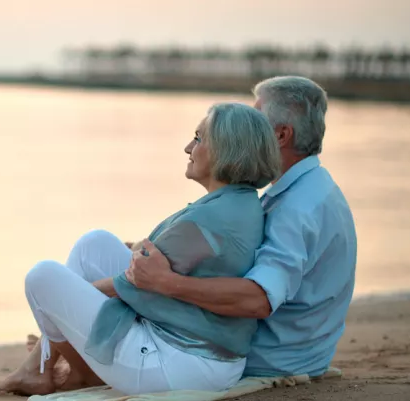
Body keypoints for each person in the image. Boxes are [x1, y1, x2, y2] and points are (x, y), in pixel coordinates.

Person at [0, 102, 282, 396]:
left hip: (180, 366)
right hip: (211, 359)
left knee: (43, 278)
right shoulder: (239, 203)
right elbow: (152, 267)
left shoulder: (207, 219)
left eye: (198, 139)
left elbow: (134, 283)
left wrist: (65, 300)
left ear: (224, 149)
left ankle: (65, 370)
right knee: (94, 245)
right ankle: (57, 369)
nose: (187, 148)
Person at [127, 76, 358, 378]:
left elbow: (259, 299)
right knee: (118, 262)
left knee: (124, 293)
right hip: (301, 352)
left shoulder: (296, 209)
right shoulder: (315, 187)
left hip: (271, 358)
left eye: (255, 117)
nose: (243, 124)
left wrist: (165, 282)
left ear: (280, 135)